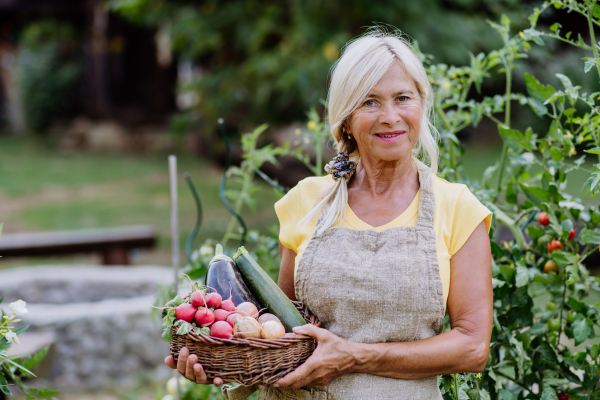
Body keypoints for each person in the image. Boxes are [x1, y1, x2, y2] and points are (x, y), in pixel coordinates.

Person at [165, 28, 493, 400]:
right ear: (346, 120)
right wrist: (223, 364)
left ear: (421, 105)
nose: (390, 116)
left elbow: (472, 347)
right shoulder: (307, 201)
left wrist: (352, 357)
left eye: (403, 98)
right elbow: (277, 332)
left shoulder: (457, 209)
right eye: (370, 102)